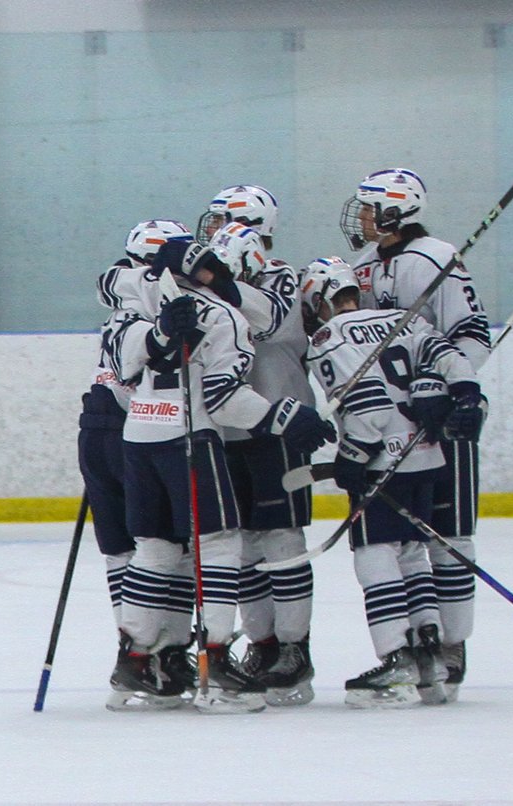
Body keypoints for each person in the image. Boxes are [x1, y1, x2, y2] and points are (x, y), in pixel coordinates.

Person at [105, 223, 336, 713]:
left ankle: (135, 658)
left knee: (157, 547)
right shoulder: (226, 316)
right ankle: (214, 662)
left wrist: (161, 333)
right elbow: (225, 398)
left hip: (139, 433)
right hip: (191, 438)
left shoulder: (137, 300)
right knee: (222, 542)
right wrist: (284, 416)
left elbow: (121, 369)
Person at [300, 257, 483, 707]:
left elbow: (370, 406)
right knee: (411, 551)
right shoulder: (402, 320)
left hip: (385, 460)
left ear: (319, 302)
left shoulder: (328, 338)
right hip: (427, 455)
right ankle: (430, 656)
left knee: (374, 554)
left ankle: (397, 660)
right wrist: (461, 392)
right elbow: (450, 358)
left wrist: (354, 454)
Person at [340, 168, 491, 701]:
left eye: (366, 208)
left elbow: (471, 333)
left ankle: (451, 646)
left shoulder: (435, 258)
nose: (358, 217)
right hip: (387, 429)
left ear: (393, 211)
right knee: (395, 540)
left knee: (448, 536)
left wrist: (444, 388)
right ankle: (417, 647)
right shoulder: (358, 268)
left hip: (441, 421)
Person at [198, 185, 320, 706]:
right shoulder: (205, 285)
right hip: (227, 427)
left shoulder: (281, 275)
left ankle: (295, 651)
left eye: (223, 221)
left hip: (280, 423)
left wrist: (224, 284)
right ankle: (263, 645)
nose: (211, 230)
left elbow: (270, 320)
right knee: (243, 544)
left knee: (282, 540)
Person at [81, 218, 197, 710]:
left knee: (125, 554)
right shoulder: (154, 302)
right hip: (138, 435)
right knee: (168, 546)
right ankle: (155, 654)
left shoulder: (122, 297)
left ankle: (143, 655)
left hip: (96, 426)